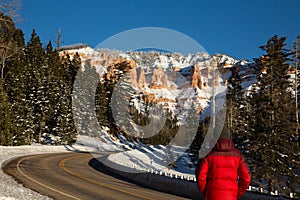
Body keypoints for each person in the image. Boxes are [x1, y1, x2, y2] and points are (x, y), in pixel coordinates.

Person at [195, 126, 251, 200]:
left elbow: (200, 176)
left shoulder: (208, 155)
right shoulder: (238, 155)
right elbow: (246, 178)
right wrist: (237, 193)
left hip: (212, 195)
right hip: (230, 196)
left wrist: (205, 192)